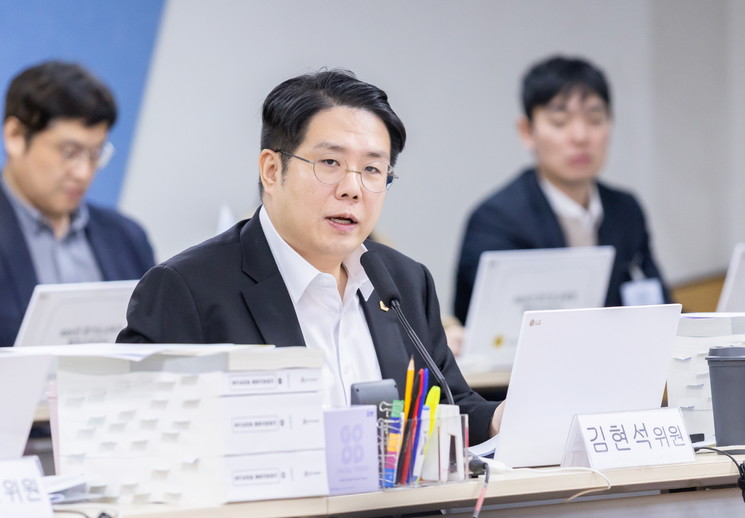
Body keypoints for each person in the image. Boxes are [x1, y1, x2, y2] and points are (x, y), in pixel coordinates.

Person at [117, 70, 503, 444]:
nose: (353, 188)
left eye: (372, 169)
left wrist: (501, 419)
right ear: (272, 170)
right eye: (330, 163)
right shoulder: (186, 290)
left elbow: (450, 406)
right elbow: (138, 437)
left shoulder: (403, 282)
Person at [454, 55, 671, 324]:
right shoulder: (495, 221)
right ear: (527, 131)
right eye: (560, 122)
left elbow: (658, 305)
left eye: (595, 119)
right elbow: (491, 328)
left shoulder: (626, 210)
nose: (581, 137)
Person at [0, 61, 155, 347]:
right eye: (69, 152)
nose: (83, 173)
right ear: (15, 136)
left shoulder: (127, 239)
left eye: (95, 154)